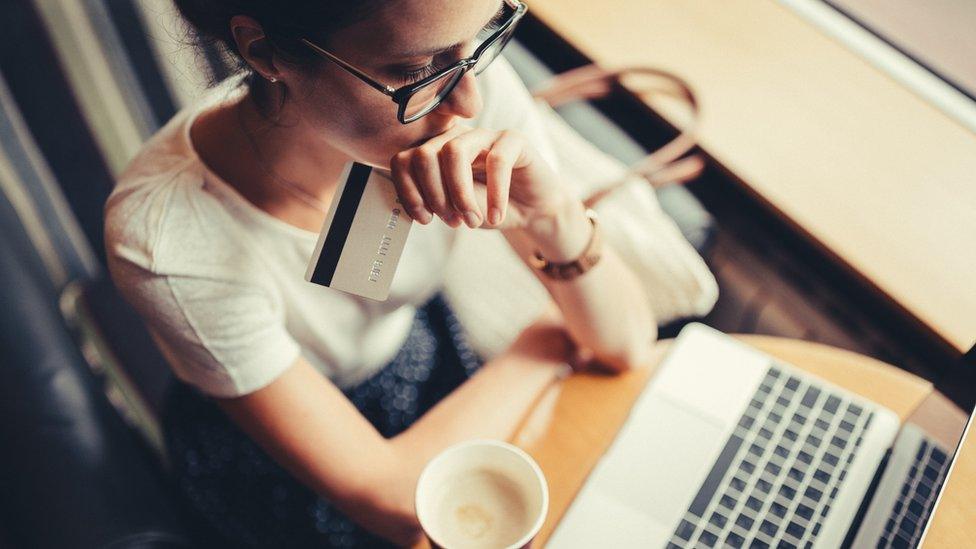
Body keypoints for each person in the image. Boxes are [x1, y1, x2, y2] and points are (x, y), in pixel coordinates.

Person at [104, 0, 719, 546]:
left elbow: (626, 342)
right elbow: (400, 503)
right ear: (264, 52)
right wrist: (544, 340)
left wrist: (552, 212)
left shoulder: (464, 89)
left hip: (421, 357)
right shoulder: (167, 245)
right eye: (413, 70)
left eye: (481, 38)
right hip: (280, 457)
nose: (470, 100)